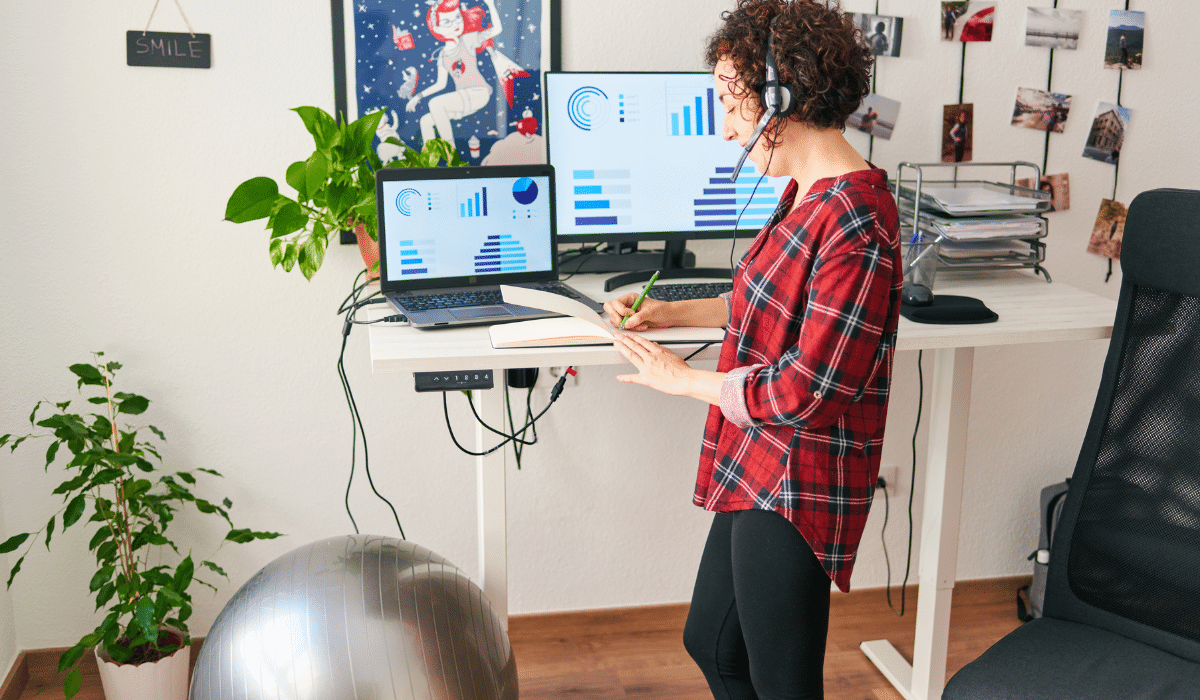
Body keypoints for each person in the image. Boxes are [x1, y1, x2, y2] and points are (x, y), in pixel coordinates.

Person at [603, 1, 901, 696]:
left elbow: (809, 389)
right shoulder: (805, 193)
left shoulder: (855, 218)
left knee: (781, 680)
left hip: (800, 472)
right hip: (759, 455)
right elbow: (769, 298)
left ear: (784, 96)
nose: (727, 127)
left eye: (732, 105)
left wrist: (684, 381)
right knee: (711, 643)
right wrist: (670, 312)